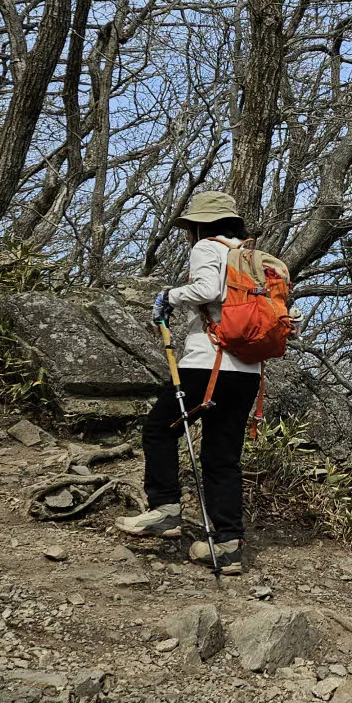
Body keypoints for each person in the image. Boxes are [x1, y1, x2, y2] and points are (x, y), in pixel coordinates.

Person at [115, 189, 260, 574]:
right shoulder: (253, 258)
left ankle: (164, 509)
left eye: (189, 227)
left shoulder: (208, 247)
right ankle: (228, 545)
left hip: (207, 364)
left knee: (159, 430)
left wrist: (168, 295)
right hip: (249, 372)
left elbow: (207, 290)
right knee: (222, 457)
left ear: (200, 225)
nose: (187, 234)